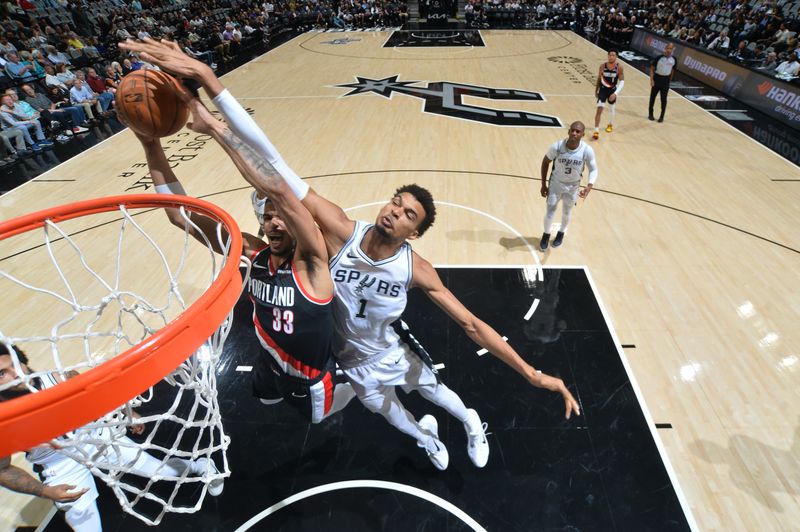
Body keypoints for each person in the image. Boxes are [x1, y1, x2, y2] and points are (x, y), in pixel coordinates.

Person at [119, 38, 581, 471]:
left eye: (407, 215)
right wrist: (178, 117)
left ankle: (470, 422)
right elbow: (254, 179)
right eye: (395, 203)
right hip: (349, 359)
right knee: (393, 416)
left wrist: (532, 373)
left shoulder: (348, 259)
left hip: (390, 349)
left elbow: (472, 324)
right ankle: (427, 440)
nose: (395, 213)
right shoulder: (321, 238)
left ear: (414, 233)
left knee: (439, 394)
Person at [126, 86, 356, 425]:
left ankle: (356, 387)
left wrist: (221, 130)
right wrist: (150, 144)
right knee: (264, 399)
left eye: (283, 216)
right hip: (268, 360)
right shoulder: (254, 252)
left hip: (308, 378)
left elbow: (282, 190)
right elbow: (179, 216)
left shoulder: (312, 260)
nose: (275, 222)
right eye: (267, 216)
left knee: (318, 419)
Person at [0, 342, 223, 531]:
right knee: (84, 522)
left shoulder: (58, 378)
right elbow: (3, 470)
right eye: (2, 374)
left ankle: (200, 465)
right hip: (59, 462)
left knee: (162, 472)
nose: (16, 373)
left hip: (96, 435)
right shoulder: (3, 421)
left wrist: (127, 412)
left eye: (16, 364)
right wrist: (45, 491)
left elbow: (97, 396)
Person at [539, 121, 597, 251]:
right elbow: (545, 162)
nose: (574, 133)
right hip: (556, 184)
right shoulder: (557, 146)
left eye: (578, 131)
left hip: (573, 186)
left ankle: (561, 233)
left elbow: (593, 169)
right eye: (572, 130)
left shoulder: (587, 150)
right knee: (550, 211)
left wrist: (589, 186)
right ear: (568, 131)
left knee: (566, 212)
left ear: (583, 134)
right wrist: (543, 184)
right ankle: (546, 234)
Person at [592, 49, 624, 140]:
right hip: (602, 90)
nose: (611, 57)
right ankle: (596, 130)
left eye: (613, 55)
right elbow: (599, 78)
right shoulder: (602, 66)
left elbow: (622, 82)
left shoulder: (619, 67)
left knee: (612, 109)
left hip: (612, 90)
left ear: (616, 56)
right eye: (610, 55)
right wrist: (596, 90)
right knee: (599, 109)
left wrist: (615, 93)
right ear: (608, 56)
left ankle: (610, 124)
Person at [648, 42, 676, 123]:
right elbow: (652, 69)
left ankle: (661, 116)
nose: (669, 50)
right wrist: (652, 80)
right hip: (657, 79)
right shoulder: (659, 57)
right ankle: (650, 114)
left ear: (673, 50)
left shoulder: (674, 59)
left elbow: (673, 71)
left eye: (671, 49)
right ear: (665, 48)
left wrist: (669, 82)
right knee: (652, 97)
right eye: (668, 48)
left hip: (665, 81)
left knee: (664, 99)